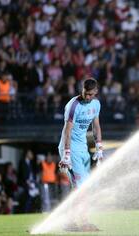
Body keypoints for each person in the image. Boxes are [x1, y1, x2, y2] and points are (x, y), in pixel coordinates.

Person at [58, 78, 104, 231]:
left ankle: (69, 222)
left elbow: (96, 126)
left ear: (95, 92)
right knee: (82, 187)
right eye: (86, 93)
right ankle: (83, 222)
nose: (88, 97)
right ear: (82, 90)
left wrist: (99, 147)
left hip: (83, 149)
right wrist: (66, 154)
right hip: (71, 149)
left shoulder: (96, 104)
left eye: (91, 94)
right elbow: (67, 131)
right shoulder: (73, 105)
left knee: (80, 187)